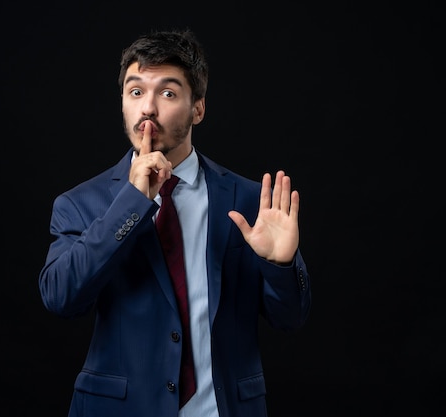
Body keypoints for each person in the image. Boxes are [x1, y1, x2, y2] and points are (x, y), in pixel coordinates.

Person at [38, 28, 311, 417]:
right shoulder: (80, 203)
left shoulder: (250, 201)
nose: (148, 108)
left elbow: (290, 319)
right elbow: (61, 297)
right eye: (135, 92)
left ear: (198, 107)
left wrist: (281, 264)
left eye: (167, 93)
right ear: (122, 103)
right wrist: (130, 204)